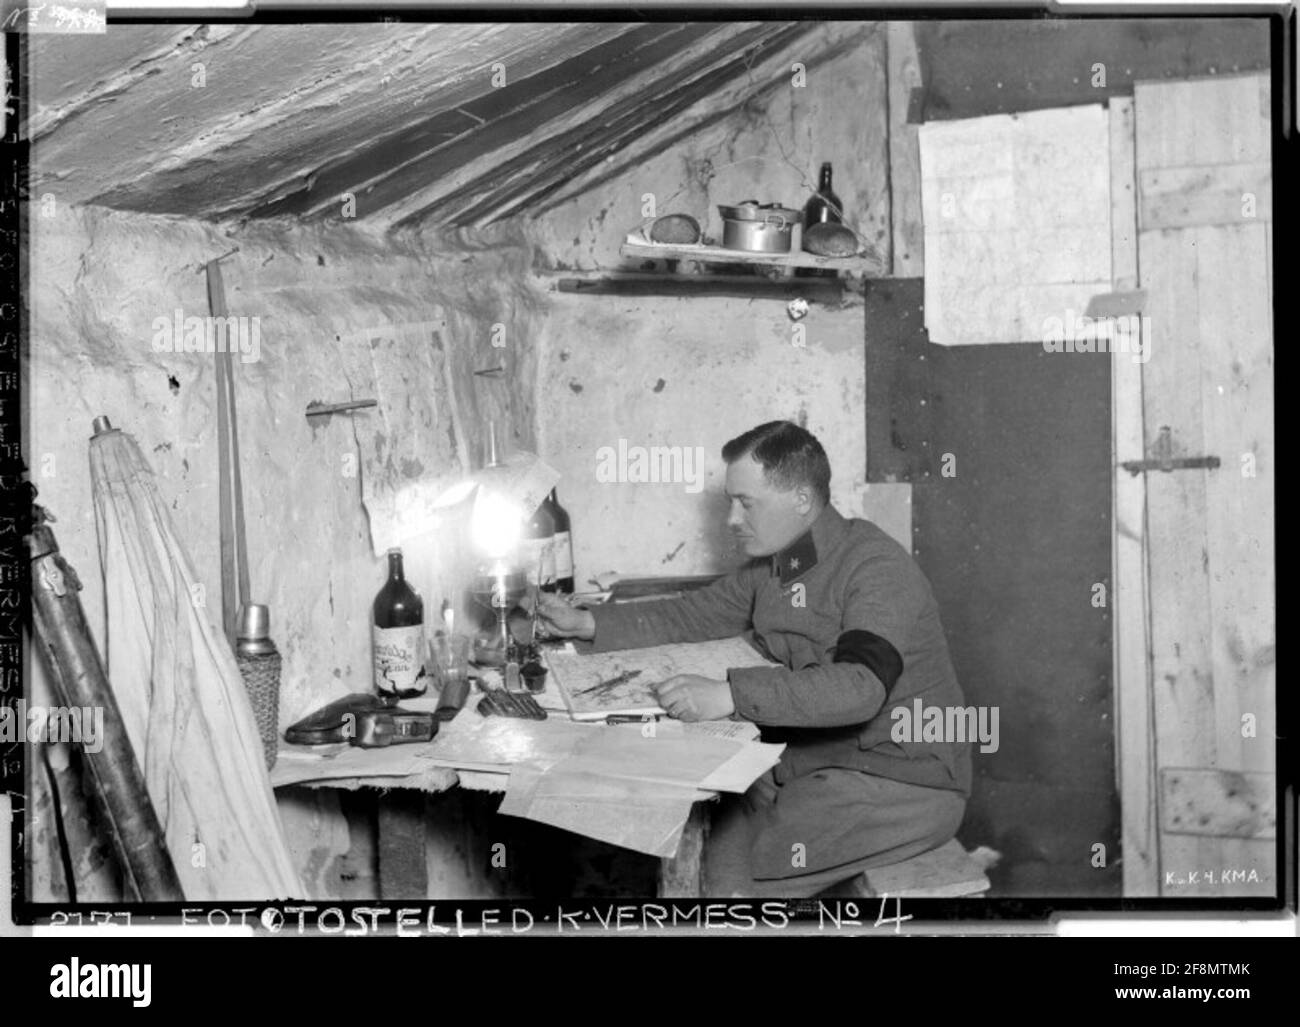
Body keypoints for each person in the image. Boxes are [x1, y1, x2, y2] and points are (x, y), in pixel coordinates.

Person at [528, 421, 971, 896]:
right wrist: (589, 623)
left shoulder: (877, 570)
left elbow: (859, 687)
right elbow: (696, 614)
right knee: (690, 829)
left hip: (901, 782)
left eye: (746, 503)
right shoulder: (785, 561)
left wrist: (729, 694)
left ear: (801, 499)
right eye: (730, 502)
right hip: (816, 761)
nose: (731, 521)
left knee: (718, 875)